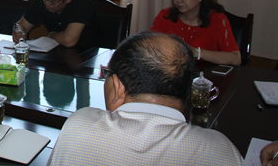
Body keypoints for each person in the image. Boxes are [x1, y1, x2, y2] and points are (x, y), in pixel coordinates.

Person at [47, 31, 244, 165]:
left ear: (118, 87)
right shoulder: (219, 150)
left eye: (107, 74)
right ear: (186, 90)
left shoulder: (79, 128)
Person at [151, 0, 241, 66]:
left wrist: (197, 53)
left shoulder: (217, 19)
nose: (178, 0)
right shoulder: (166, 16)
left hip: (207, 73)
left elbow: (235, 58)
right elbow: (149, 46)